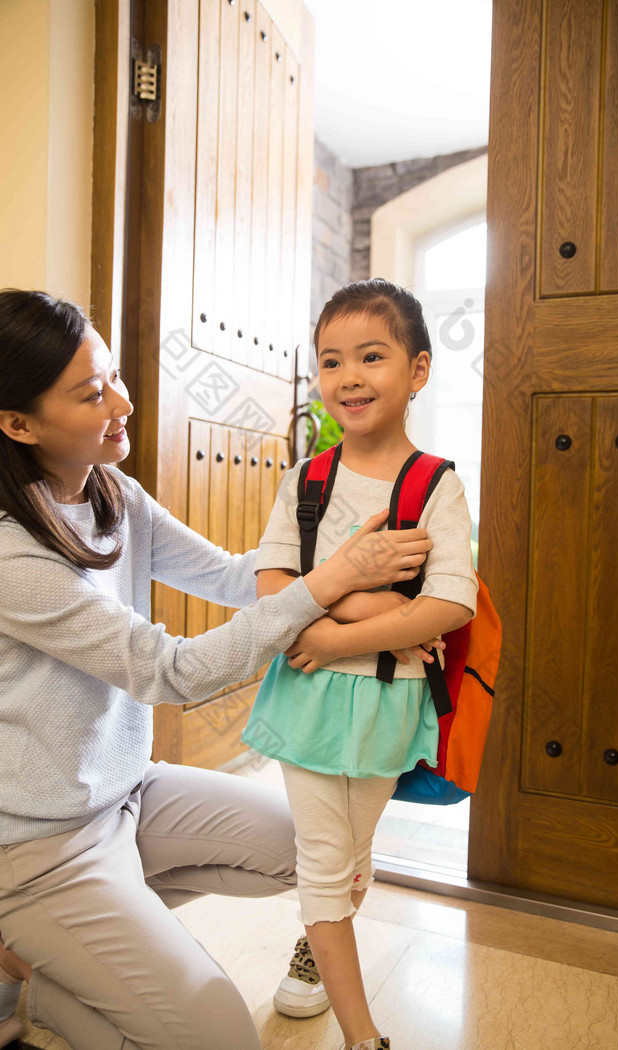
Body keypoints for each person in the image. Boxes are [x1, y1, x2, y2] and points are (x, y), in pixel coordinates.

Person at [0, 288, 436, 1050]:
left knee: (316, 847)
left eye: (114, 376)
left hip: (129, 795)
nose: (124, 402)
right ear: (17, 423)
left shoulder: (113, 495)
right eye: (92, 393)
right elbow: (171, 672)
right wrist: (329, 586)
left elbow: (242, 577)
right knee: (220, 1038)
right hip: (36, 849)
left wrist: (374, 603)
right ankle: (43, 971)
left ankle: (62, 962)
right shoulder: (10, 555)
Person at [240, 278, 479, 1050]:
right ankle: (363, 1034)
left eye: (370, 357)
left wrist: (333, 625)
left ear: (417, 370)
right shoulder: (305, 482)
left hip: (386, 701)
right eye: (331, 361)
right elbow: (275, 589)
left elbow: (450, 604)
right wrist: (372, 608)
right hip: (305, 697)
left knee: (352, 851)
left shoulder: (434, 484)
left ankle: (319, 943)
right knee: (323, 858)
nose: (348, 377)